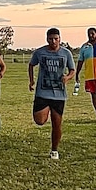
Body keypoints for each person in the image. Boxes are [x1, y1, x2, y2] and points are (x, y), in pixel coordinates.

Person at [29, 27, 76, 160]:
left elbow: (72, 70)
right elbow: (31, 65)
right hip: (43, 92)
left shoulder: (66, 53)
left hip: (59, 94)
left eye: (56, 39)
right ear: (46, 39)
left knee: (57, 123)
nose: (53, 41)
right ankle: (45, 110)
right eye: (50, 39)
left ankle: (54, 150)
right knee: (39, 121)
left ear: (60, 39)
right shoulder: (40, 52)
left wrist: (67, 77)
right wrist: (31, 80)